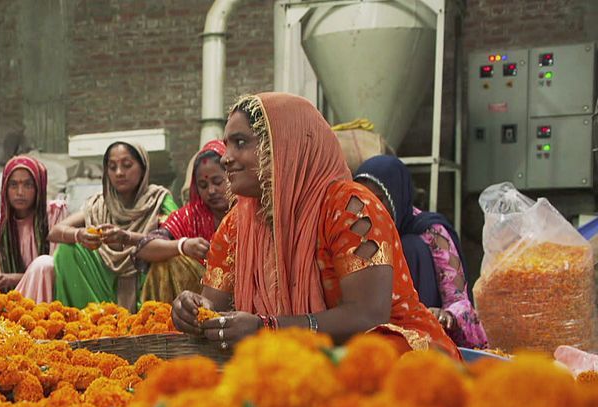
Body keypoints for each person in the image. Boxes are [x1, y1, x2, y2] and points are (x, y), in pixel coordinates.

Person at [171, 93, 458, 358]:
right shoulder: (237, 223)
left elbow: (368, 315)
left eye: (241, 143)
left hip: (383, 347)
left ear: (285, 145)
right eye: (227, 144)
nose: (226, 157)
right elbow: (213, 306)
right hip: (293, 354)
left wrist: (269, 329)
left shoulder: (349, 206)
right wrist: (195, 309)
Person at [353, 155, 488, 349]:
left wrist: (445, 315)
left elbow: (459, 300)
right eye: (363, 199)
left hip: (429, 334)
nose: (370, 207)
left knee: (409, 246)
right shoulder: (357, 230)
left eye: (378, 199)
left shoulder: (431, 232)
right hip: (377, 335)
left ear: (396, 195)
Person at [52, 142, 178, 309]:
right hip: (104, 274)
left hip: (144, 273)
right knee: (67, 251)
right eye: (112, 167)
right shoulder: (100, 204)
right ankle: (92, 317)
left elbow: (177, 238)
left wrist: (128, 238)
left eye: (127, 165)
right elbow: (55, 231)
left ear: (143, 167)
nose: (119, 173)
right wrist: (80, 235)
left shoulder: (158, 199)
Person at [136, 140, 229, 304]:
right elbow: (144, 248)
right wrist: (183, 246)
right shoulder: (189, 216)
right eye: (203, 185)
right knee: (165, 263)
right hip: (194, 299)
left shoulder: (249, 214)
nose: (211, 191)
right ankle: (164, 324)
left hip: (242, 295)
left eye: (217, 182)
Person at [0, 156, 69, 302]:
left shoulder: (55, 213)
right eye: (13, 185)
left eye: (28, 185)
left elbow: (56, 271)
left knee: (43, 264)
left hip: (48, 296)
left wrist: (9, 279)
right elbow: (4, 273)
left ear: (38, 188)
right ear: (5, 188)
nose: (20, 192)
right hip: (16, 294)